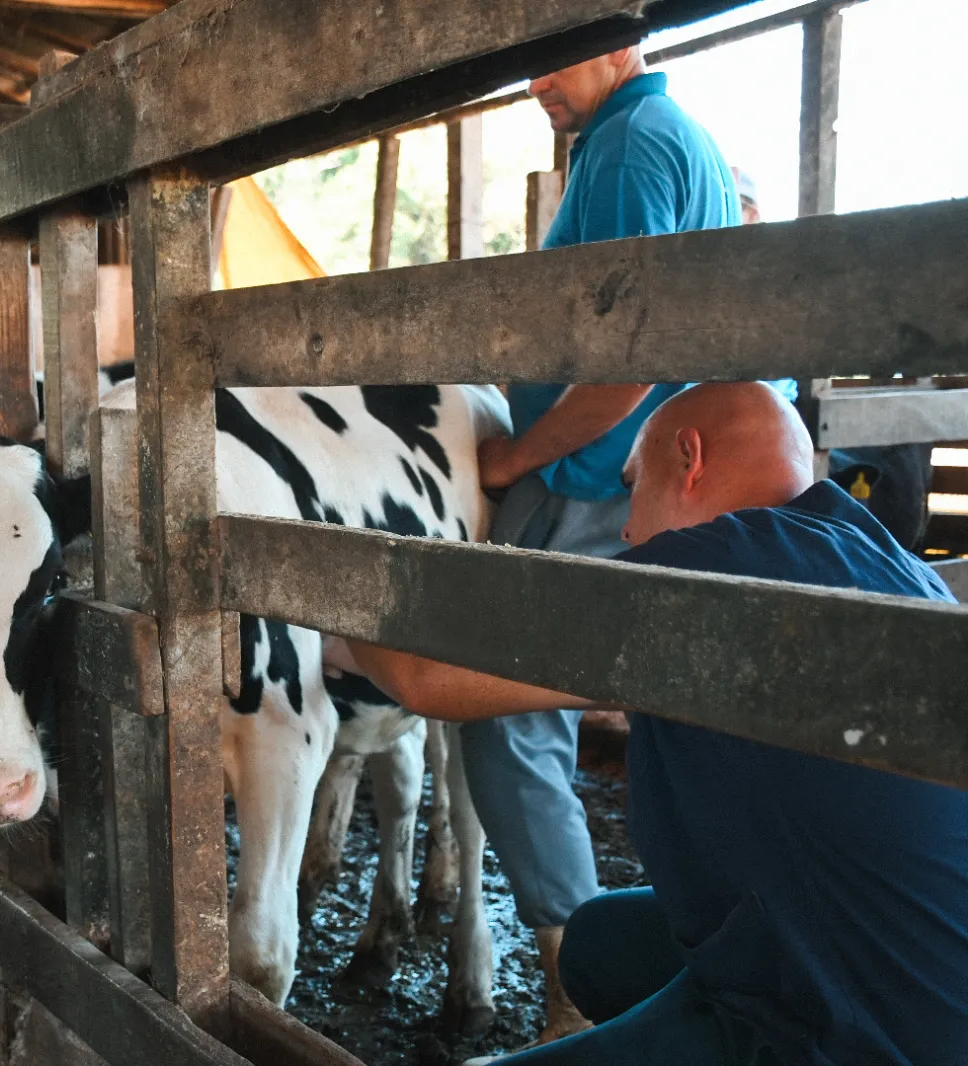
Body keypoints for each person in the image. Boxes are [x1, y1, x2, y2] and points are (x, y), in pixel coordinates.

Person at [342, 383, 968, 1065]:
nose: (628, 531)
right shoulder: (881, 558)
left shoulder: (721, 569)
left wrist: (311, 596)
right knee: (599, 941)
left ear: (689, 459)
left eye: (633, 487)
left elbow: (427, 673)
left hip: (862, 1029)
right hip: (888, 955)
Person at [464, 45, 771, 1049]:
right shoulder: (639, 139)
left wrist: (518, 458)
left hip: (598, 482)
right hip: (631, 473)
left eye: (554, 61)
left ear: (617, 38)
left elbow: (621, 368)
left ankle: (569, 973)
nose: (535, 85)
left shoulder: (634, 148)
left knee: (504, 713)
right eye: (529, 69)